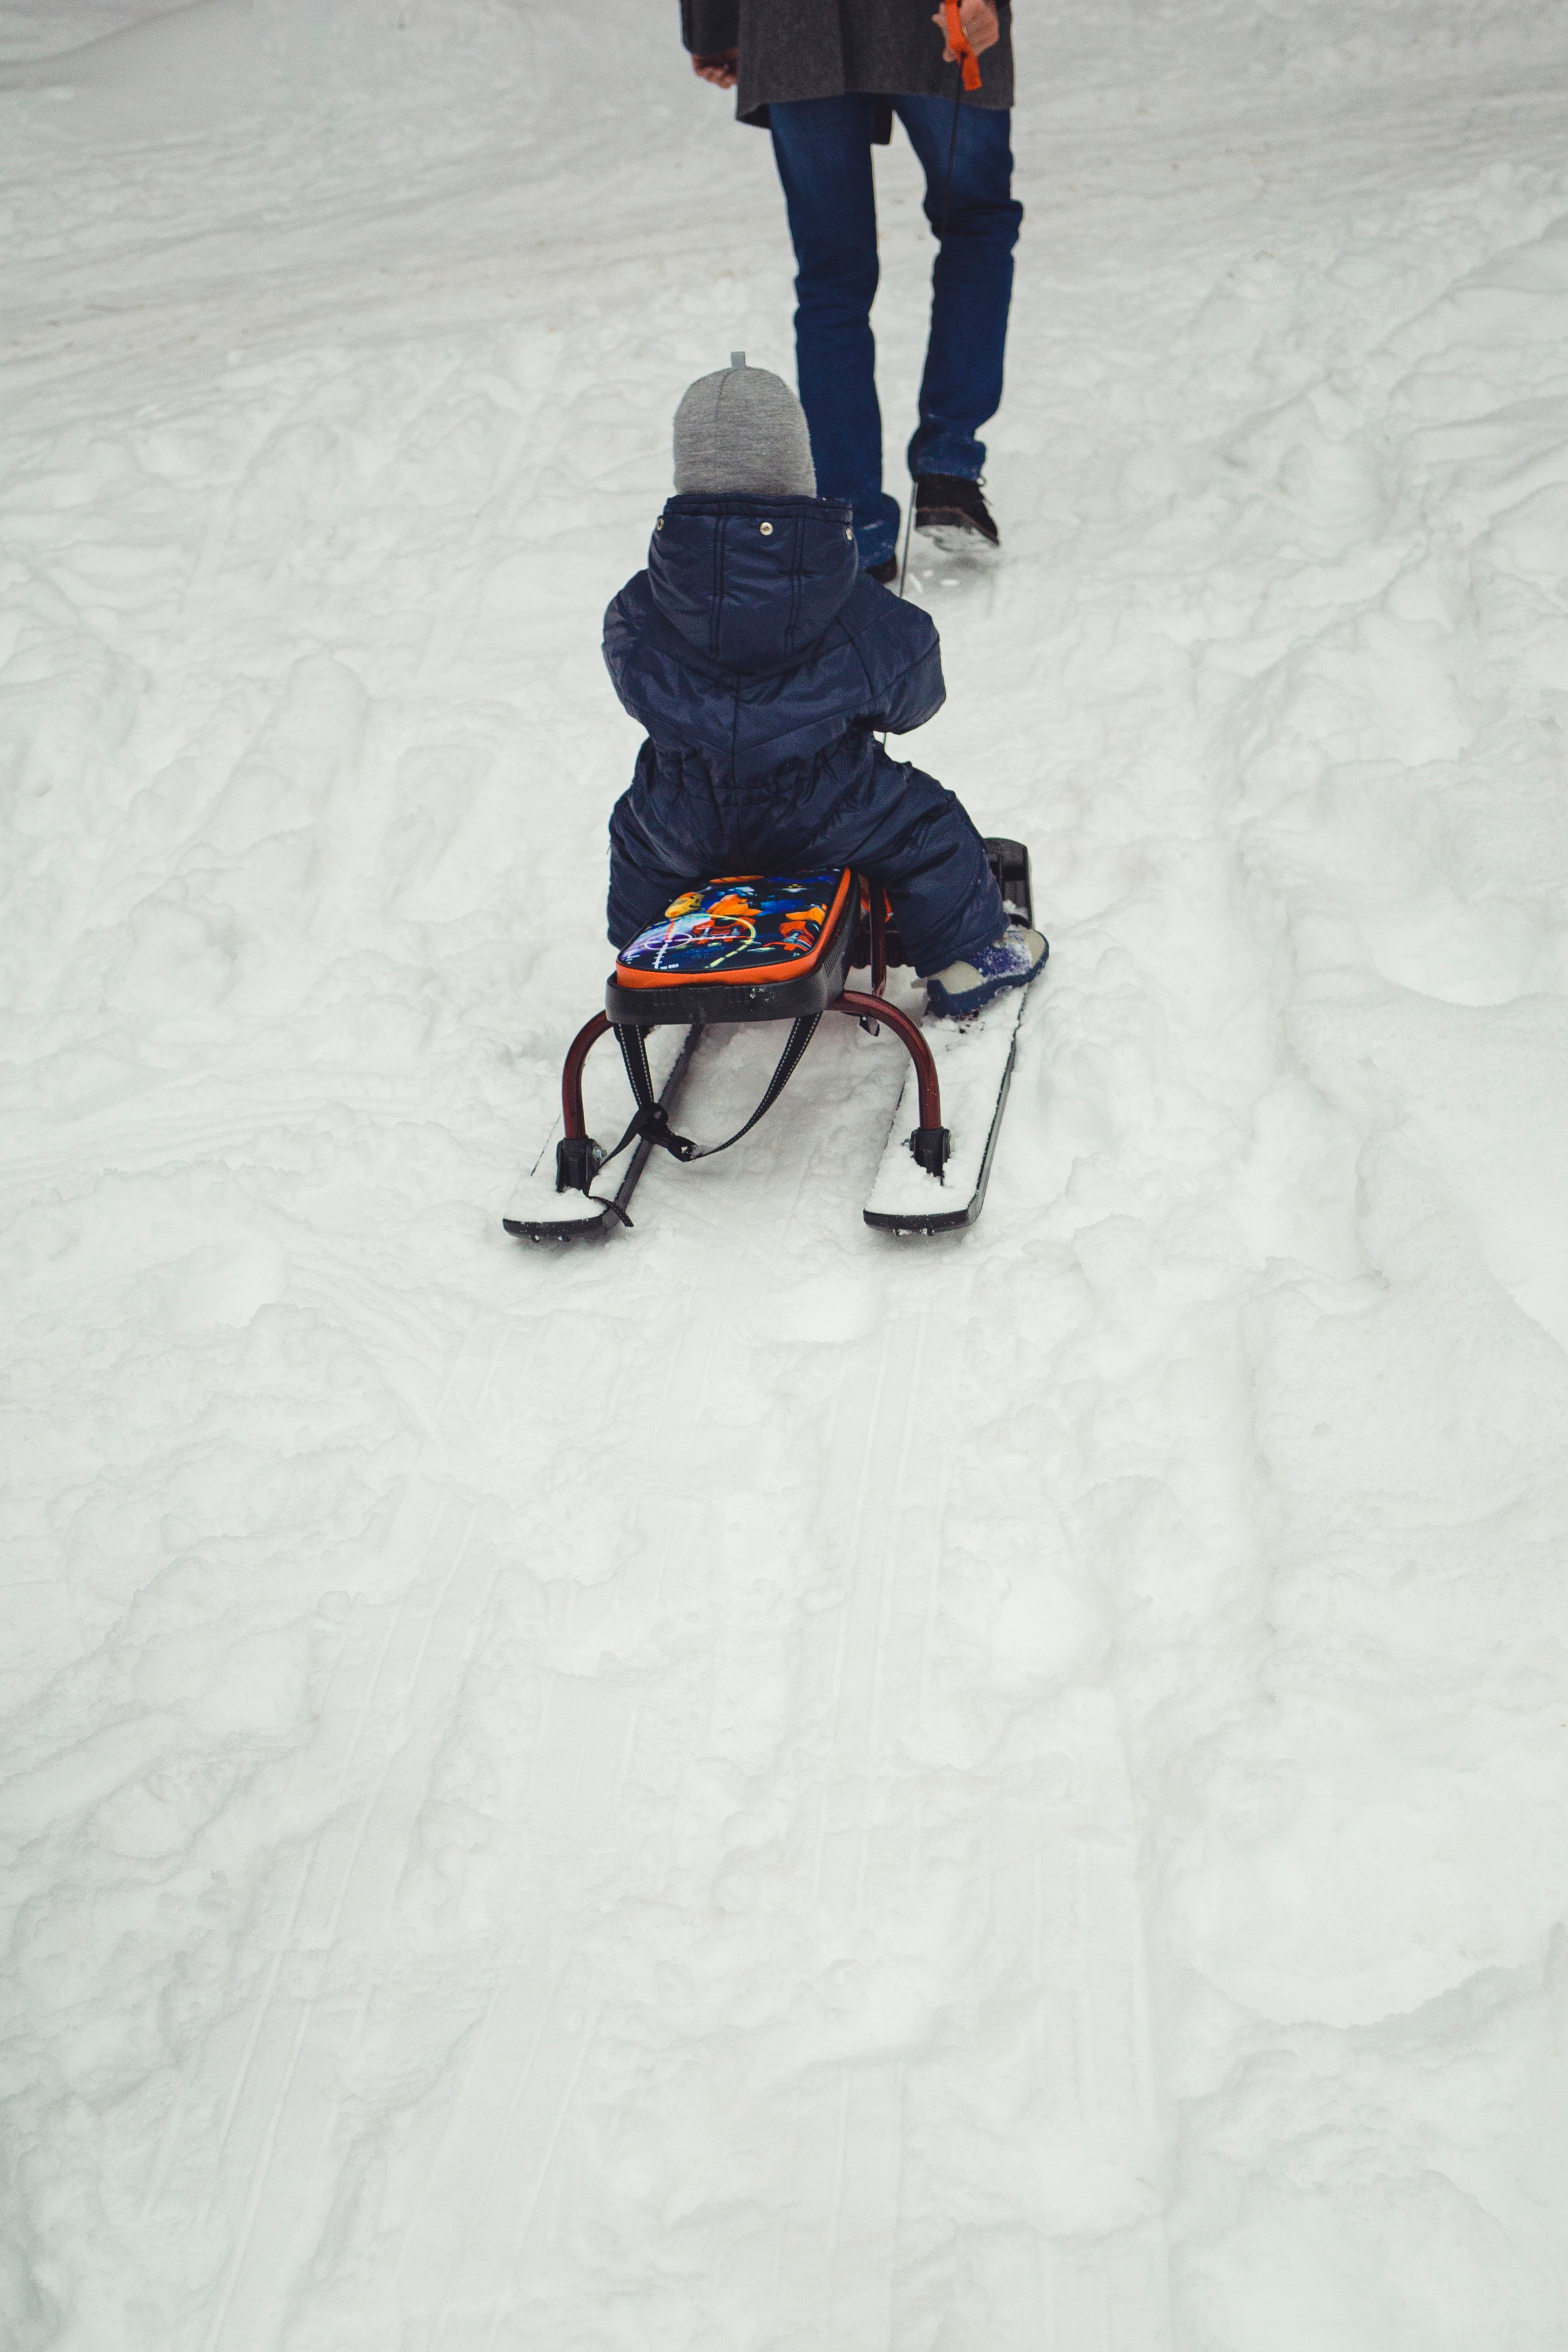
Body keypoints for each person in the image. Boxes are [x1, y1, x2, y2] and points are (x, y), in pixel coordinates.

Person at [602, 356, 1046, 1016]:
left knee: (633, 827)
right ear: (798, 470)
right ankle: (969, 959)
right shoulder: (850, 602)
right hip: (833, 814)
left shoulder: (637, 606)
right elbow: (916, 694)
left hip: (685, 819)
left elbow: (636, 687)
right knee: (929, 824)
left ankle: (650, 951)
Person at [680, 0, 1022, 579]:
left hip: (793, 28)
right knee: (975, 223)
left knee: (831, 278)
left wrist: (712, 28)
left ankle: (853, 526)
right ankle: (950, 465)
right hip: (934, 19)